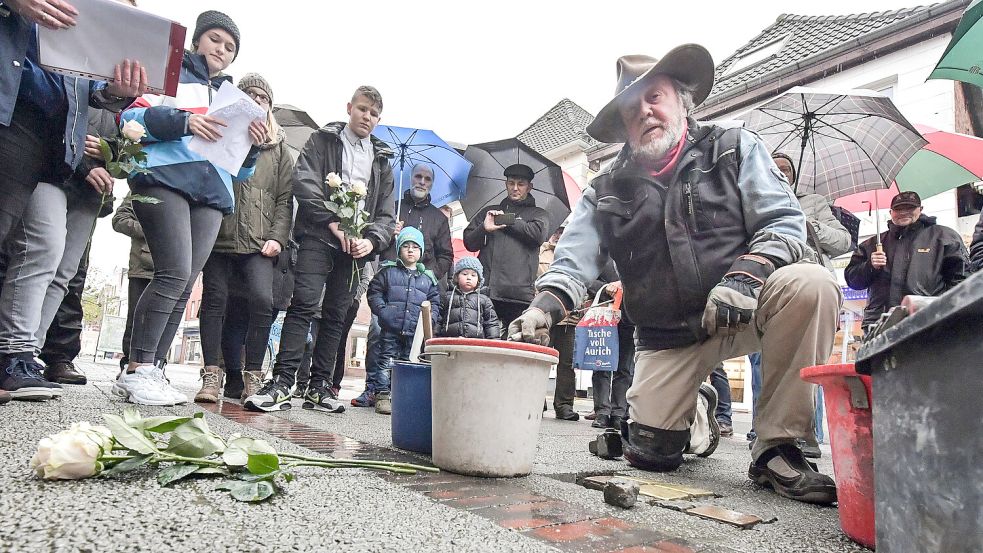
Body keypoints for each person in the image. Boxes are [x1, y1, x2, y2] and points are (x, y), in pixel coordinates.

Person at [511, 45, 842, 505]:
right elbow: (574, 260)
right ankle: (697, 411)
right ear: (623, 125)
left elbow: (784, 222)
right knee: (652, 455)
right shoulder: (605, 189)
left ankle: (778, 446)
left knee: (812, 284)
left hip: (745, 306)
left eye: (655, 97)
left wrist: (745, 276)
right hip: (667, 335)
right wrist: (543, 309)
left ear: (682, 100)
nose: (644, 112)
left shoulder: (734, 147)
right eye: (631, 109)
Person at [113, 11, 266, 406]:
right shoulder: (171, 74)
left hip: (212, 193)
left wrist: (255, 148)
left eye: (231, 47)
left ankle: (154, 368)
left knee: (184, 284)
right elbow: (130, 117)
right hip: (165, 177)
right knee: (172, 272)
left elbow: (241, 170)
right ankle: (136, 367)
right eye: (216, 39)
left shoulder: (238, 101)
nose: (222, 50)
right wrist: (185, 123)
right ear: (198, 40)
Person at [0, 0, 146, 402]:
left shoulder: (96, 49)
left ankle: (18, 356)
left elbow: (78, 91)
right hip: (21, 125)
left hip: (52, 155)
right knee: (33, 252)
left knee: (47, 253)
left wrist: (114, 93)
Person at [244, 85, 396, 413]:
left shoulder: (382, 159)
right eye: (362, 109)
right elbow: (305, 181)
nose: (366, 117)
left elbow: (386, 213)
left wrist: (372, 240)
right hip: (318, 236)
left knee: (337, 316)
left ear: (378, 119)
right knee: (303, 306)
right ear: (349, 108)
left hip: (356, 250)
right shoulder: (323, 139)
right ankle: (283, 383)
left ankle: (320, 387)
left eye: (373, 113)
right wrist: (332, 221)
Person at [194, 72, 294, 403]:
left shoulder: (279, 149)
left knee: (262, 301)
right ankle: (211, 376)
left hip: (259, 240)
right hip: (220, 234)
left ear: (269, 107)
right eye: (249, 96)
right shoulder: (221, 132)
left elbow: (284, 197)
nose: (256, 101)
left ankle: (253, 376)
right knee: (214, 300)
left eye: (262, 98)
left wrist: (278, 237)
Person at [353, 162, 453, 406]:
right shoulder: (393, 209)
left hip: (419, 294)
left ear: (431, 184)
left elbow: (446, 256)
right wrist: (390, 234)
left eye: (427, 179)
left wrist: (427, 275)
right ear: (410, 179)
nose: (421, 181)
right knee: (378, 335)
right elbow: (373, 241)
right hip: (390, 289)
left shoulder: (439, 219)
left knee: (412, 344)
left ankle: (404, 394)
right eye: (418, 176)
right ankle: (373, 389)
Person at [845, 191, 968, 331]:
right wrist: (869, 266)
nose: (903, 212)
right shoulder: (872, 244)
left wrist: (948, 312)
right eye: (898, 209)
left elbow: (962, 279)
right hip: (879, 325)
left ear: (920, 209)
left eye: (909, 208)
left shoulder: (944, 237)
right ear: (891, 212)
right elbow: (852, 280)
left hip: (929, 322)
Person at [463, 163, 550, 336]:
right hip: (486, 290)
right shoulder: (488, 212)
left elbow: (538, 235)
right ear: (506, 184)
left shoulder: (539, 214)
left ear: (529, 187)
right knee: (481, 343)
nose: (515, 188)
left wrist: (508, 220)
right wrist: (484, 229)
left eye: (521, 184)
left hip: (518, 296)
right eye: (511, 183)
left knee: (513, 346)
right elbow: (469, 242)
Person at [366, 227, 440, 414]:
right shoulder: (388, 272)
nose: (410, 250)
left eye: (415, 246)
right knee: (385, 362)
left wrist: (428, 320)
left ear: (421, 251)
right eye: (405, 246)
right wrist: (383, 312)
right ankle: (382, 395)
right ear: (399, 249)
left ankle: (404, 398)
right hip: (391, 328)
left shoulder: (427, 279)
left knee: (409, 363)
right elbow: (374, 292)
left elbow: (435, 303)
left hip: (414, 332)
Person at [111, 194, 153, 373]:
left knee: (164, 322)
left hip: (173, 267)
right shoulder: (145, 182)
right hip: (142, 267)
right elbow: (119, 219)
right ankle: (128, 366)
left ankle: (156, 366)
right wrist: (151, 230)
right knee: (137, 319)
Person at [591, 280, 635, 431]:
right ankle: (602, 411)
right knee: (601, 366)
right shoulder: (601, 258)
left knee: (624, 369)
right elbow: (588, 280)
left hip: (629, 318)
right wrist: (606, 287)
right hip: (604, 316)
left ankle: (618, 413)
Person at [437, 256, 501, 339]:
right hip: (449, 341)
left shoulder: (484, 300)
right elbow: (439, 320)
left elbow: (491, 323)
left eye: (473, 275)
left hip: (475, 344)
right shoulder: (447, 297)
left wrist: (494, 342)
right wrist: (434, 337)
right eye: (464, 274)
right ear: (456, 277)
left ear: (479, 280)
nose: (469, 278)